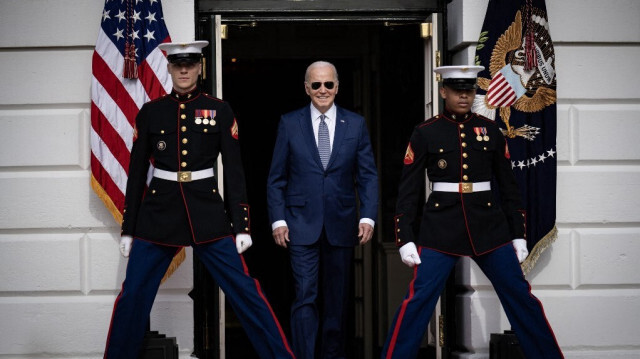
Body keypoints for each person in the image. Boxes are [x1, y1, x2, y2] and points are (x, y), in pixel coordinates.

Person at [103, 41, 294, 359]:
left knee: (245, 291)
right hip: (158, 214)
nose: (184, 70)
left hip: (207, 213)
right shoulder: (151, 113)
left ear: (200, 68)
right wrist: (128, 227)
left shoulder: (220, 110)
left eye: (190, 64)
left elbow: (234, 170)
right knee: (133, 293)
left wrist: (242, 225)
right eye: (178, 64)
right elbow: (136, 175)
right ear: (169, 68)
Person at [381, 65, 563, 359]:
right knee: (418, 301)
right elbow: (408, 190)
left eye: (469, 90)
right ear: (444, 92)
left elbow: (508, 186)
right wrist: (405, 238)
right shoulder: (425, 132)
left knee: (520, 296)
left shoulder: (491, 130)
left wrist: (518, 234)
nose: (464, 96)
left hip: (488, 226)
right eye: (457, 90)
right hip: (440, 228)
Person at [267, 61, 378, 359]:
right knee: (305, 296)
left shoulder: (355, 124)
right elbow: (277, 178)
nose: (323, 90)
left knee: (336, 301)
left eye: (328, 84)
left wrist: (367, 215)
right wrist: (278, 219)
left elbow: (367, 175)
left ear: (337, 87)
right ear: (306, 88)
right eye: (316, 85)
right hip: (300, 224)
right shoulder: (290, 123)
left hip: (342, 225)